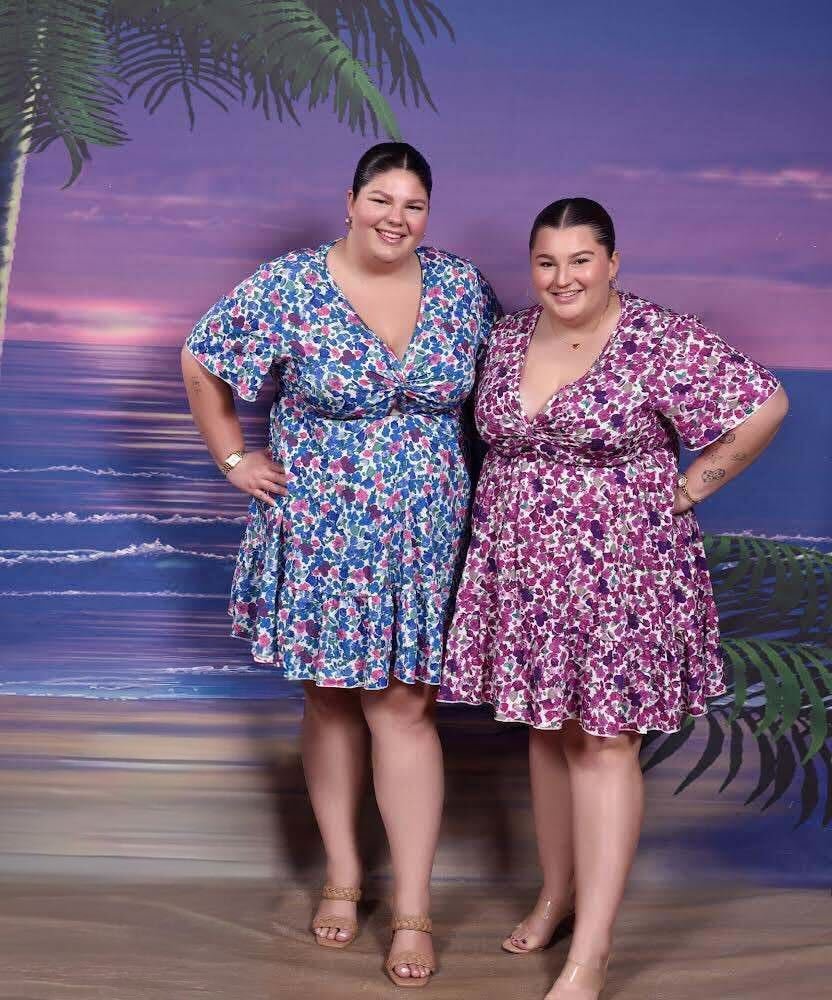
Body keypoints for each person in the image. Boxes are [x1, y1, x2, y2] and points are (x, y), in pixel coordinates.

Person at [438, 197, 788, 999]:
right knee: (547, 733)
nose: (562, 277)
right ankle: (556, 896)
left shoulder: (657, 336)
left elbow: (765, 403)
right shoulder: (506, 336)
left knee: (603, 744)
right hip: (524, 571)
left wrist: (692, 486)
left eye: (580, 260)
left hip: (621, 573)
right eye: (547, 262)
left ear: (612, 262)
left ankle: (591, 951)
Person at [181, 142, 499, 989]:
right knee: (329, 702)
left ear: (428, 214)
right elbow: (203, 358)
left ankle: (414, 908)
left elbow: (502, 392)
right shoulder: (289, 285)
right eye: (382, 199)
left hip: (427, 537)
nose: (397, 218)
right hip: (325, 532)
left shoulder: (462, 287)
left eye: (414, 205)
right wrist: (233, 459)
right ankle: (343, 875)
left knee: (406, 708)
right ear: (351, 201)